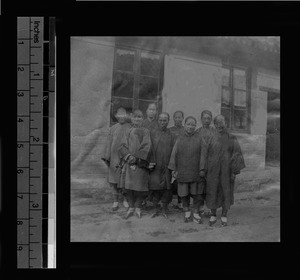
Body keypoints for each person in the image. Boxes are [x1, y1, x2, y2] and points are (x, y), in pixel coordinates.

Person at [205, 115, 246, 227]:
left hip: (227, 172)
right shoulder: (210, 137)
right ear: (214, 124)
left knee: (226, 192)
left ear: (225, 124)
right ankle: (213, 214)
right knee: (213, 190)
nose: (220, 125)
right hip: (212, 171)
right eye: (217, 123)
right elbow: (205, 155)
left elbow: (237, 154)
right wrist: (205, 170)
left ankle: (224, 214)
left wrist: (234, 171)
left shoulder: (232, 138)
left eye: (222, 123)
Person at [168, 116, 207, 224]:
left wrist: (202, 168)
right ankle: (187, 212)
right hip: (182, 170)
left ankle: (195, 212)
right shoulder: (179, 138)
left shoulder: (200, 138)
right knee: (183, 194)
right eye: (188, 124)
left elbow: (204, 155)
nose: (190, 127)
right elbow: (174, 154)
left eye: (193, 124)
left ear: (195, 126)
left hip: (196, 171)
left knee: (197, 194)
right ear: (185, 125)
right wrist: (174, 169)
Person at [119, 109, 152, 219]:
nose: (137, 119)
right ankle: (131, 207)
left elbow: (146, 146)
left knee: (140, 187)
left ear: (142, 118)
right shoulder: (128, 130)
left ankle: (138, 207)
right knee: (129, 187)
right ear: (131, 118)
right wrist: (128, 156)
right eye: (135, 117)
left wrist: (136, 158)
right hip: (129, 163)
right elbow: (122, 146)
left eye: (140, 117)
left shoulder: (145, 131)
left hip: (140, 163)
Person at [101, 107, 131, 211]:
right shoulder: (112, 128)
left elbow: (132, 143)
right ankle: (115, 201)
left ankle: (125, 200)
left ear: (126, 116)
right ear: (116, 116)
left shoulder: (130, 128)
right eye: (119, 115)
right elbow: (108, 143)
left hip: (125, 158)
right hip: (114, 158)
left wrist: (130, 156)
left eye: (124, 115)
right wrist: (107, 157)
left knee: (124, 180)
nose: (121, 117)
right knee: (114, 181)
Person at [148, 112, 176, 219]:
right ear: (158, 120)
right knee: (155, 187)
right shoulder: (152, 133)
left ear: (168, 121)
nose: (163, 122)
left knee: (167, 188)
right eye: (161, 120)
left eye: (165, 120)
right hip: (155, 165)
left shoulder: (172, 134)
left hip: (167, 166)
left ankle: (164, 209)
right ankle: (155, 208)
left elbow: (174, 151)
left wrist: (173, 166)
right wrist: (149, 163)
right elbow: (148, 149)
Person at [196, 110, 216, 216]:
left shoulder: (215, 131)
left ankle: (210, 207)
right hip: (200, 163)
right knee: (200, 186)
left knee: (211, 186)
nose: (207, 120)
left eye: (209, 118)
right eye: (204, 118)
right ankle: (201, 206)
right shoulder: (197, 132)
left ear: (211, 119)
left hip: (212, 163)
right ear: (201, 119)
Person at [169, 110, 185, 210]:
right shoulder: (170, 130)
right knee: (171, 181)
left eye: (180, 117)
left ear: (182, 118)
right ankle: (169, 201)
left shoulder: (185, 129)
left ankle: (180, 202)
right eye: (176, 117)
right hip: (171, 157)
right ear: (173, 118)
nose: (178, 119)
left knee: (180, 181)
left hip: (182, 159)